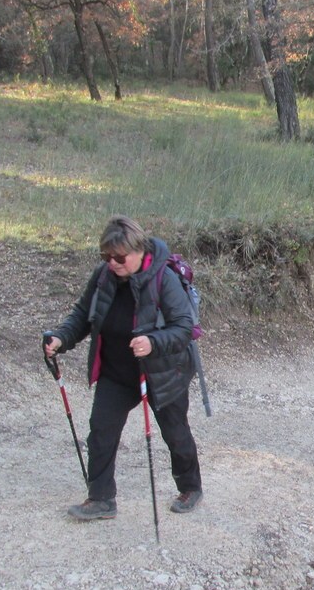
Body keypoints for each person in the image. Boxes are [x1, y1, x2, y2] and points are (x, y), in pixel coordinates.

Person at [44, 215, 204, 521]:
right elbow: (83, 314)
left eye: (119, 257)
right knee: (101, 431)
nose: (112, 263)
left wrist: (153, 342)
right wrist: (61, 338)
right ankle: (101, 498)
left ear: (139, 251)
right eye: (106, 256)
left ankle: (191, 487)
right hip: (117, 372)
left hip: (162, 371)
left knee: (175, 432)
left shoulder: (163, 279)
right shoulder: (103, 276)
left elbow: (184, 327)